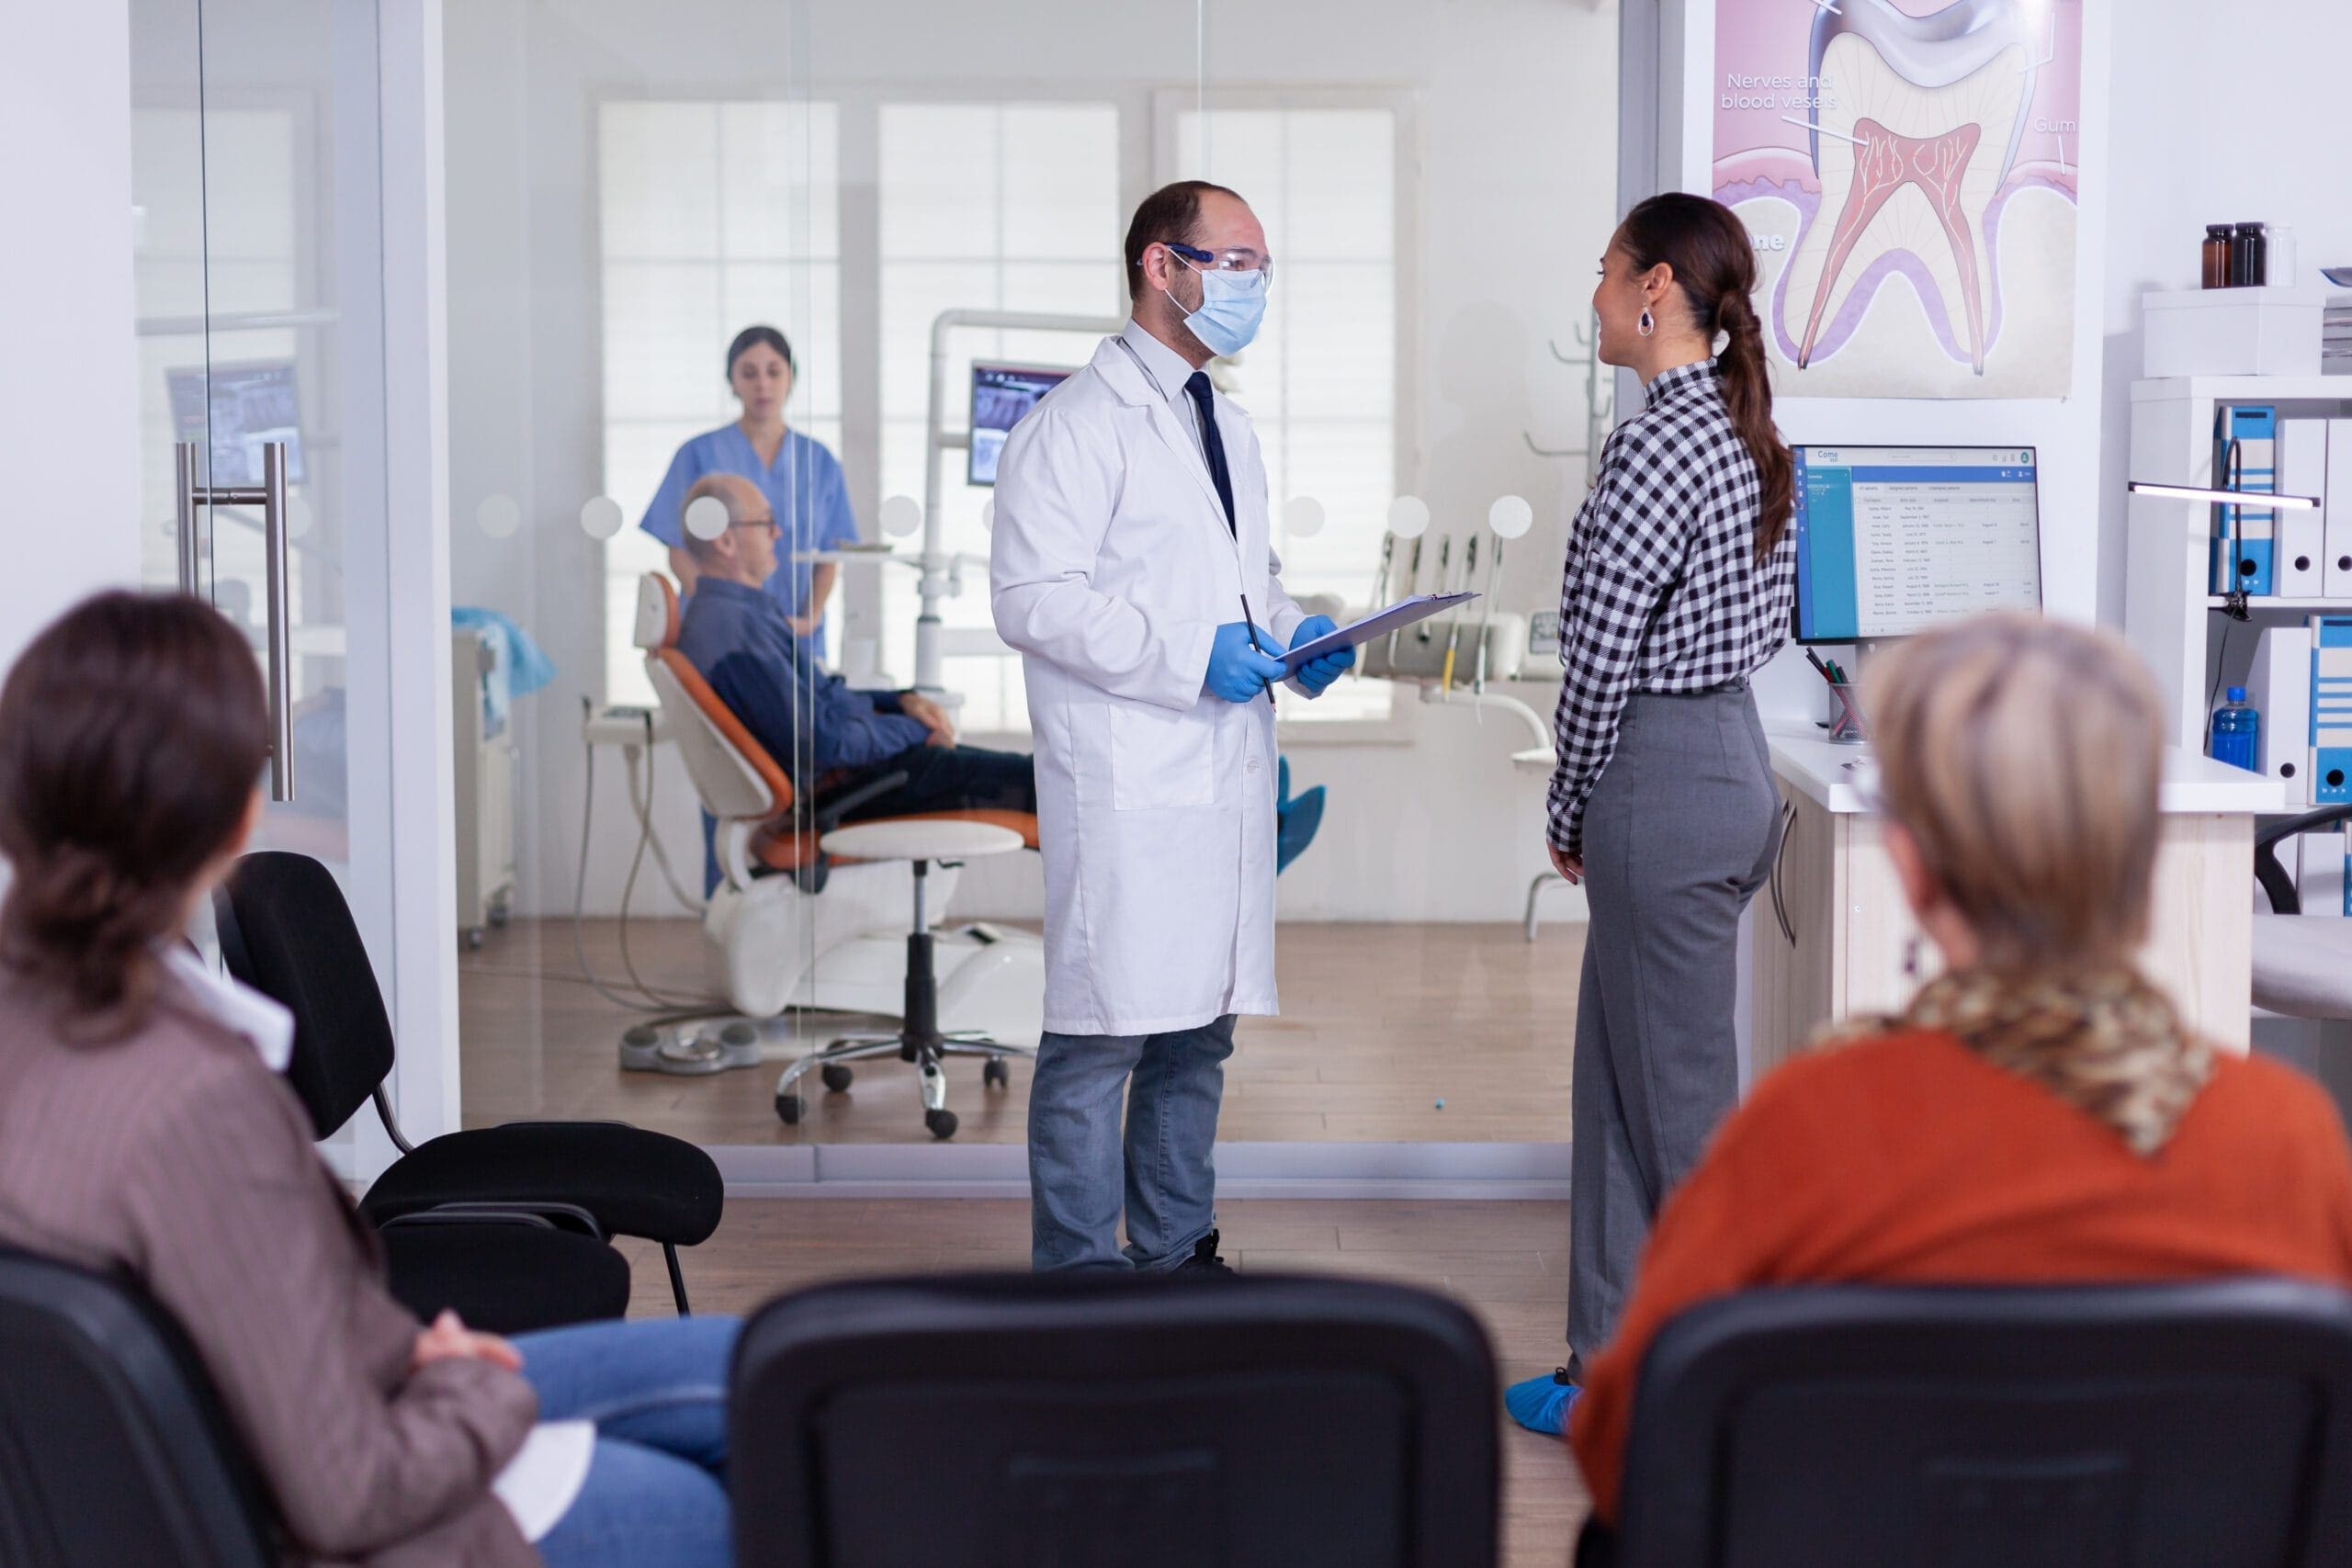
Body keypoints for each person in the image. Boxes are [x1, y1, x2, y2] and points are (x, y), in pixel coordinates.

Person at [0, 591, 737, 1568]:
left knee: (756, 1369)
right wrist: (463, 1388)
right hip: (342, 1497)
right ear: (238, 821)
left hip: (310, 1410)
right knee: (713, 1493)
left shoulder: (38, 1016)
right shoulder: (194, 1103)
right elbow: (348, 1494)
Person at [1565, 613, 2352, 1523]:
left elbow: (1630, 1443)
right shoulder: (2280, 1139)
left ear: (1911, 862)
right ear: (2138, 852)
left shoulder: (1808, 1128)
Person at [989, 180, 1355, 1275]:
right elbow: (1030, 598)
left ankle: (1175, 1253)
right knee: (1101, 1040)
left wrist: (1296, 635)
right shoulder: (1073, 425)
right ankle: (1078, 1279)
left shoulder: (1221, 421)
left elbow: (1246, 583)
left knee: (1199, 1033)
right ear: (1163, 266)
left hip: (1218, 773)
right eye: (1235, 261)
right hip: (1129, 780)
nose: (1253, 285)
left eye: (1260, 267)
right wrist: (1184, 656)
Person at [1508, 192, 1797, 1433]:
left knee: (1677, 1106)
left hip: (1661, 776)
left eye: (1606, 271)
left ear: (1658, 289)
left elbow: (1602, 657)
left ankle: (1729, 1397)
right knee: (1617, 1084)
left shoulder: (1656, 444)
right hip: (1723, 749)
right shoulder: (1740, 426)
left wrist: (1567, 801)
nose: (1594, 297)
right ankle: (1604, 1361)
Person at [674, 473, 1038, 855]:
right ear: (725, 540)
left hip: (869, 775)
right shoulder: (735, 630)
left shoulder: (732, 618)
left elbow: (820, 702)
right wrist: (912, 729)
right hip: (860, 790)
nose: (777, 534)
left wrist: (899, 702)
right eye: (766, 523)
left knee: (1042, 775)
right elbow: (823, 742)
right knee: (1041, 783)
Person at [639, 324, 858, 658]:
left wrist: (809, 617)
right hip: (720, 631)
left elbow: (829, 554)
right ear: (732, 381)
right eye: (749, 373)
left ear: (791, 377)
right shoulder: (698, 454)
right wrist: (722, 612)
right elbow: (678, 547)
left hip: (793, 632)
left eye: (774, 372)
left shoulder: (819, 461)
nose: (763, 385)